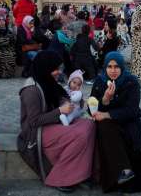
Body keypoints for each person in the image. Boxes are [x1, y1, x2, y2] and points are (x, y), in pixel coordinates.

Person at [18, 51, 96, 193]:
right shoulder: (31, 90)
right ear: (45, 67)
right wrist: (60, 111)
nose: (58, 72)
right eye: (55, 69)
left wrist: (69, 102)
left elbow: (59, 96)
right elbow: (34, 121)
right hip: (37, 131)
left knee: (89, 125)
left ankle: (79, 174)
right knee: (79, 135)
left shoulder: (48, 81)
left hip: (54, 122)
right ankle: (62, 177)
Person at [90, 52, 141, 193]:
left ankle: (118, 178)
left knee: (120, 134)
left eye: (116, 66)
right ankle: (125, 174)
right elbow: (91, 106)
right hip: (108, 124)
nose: (113, 70)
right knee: (105, 128)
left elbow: (132, 110)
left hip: (129, 121)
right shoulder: (100, 81)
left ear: (122, 67)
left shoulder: (131, 82)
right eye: (109, 66)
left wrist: (107, 114)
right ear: (105, 67)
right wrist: (105, 99)